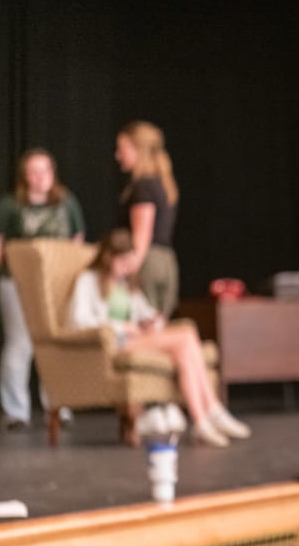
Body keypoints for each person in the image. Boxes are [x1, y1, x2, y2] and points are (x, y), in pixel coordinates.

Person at [65, 228, 251, 448]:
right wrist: (123, 327)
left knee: (184, 346)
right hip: (114, 343)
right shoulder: (87, 280)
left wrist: (154, 321)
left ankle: (202, 419)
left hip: (136, 339)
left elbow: (144, 312)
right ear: (108, 257)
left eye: (130, 261)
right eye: (122, 261)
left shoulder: (125, 284)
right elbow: (78, 321)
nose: (127, 267)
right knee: (185, 337)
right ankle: (213, 410)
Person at [0, 148, 85, 430]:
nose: (39, 177)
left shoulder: (66, 202)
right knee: (20, 343)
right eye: (33, 172)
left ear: (52, 173)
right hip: (17, 283)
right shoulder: (10, 205)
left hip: (56, 284)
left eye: (44, 170)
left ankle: (59, 405)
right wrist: (10, 267)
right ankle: (16, 411)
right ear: (25, 176)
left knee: (55, 342)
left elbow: (77, 238)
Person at [114, 120, 179, 319]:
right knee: (158, 325)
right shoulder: (162, 183)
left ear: (137, 149)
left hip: (149, 262)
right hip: (166, 262)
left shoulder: (144, 186)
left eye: (122, 149)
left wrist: (129, 266)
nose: (118, 156)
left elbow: (142, 234)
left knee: (145, 324)